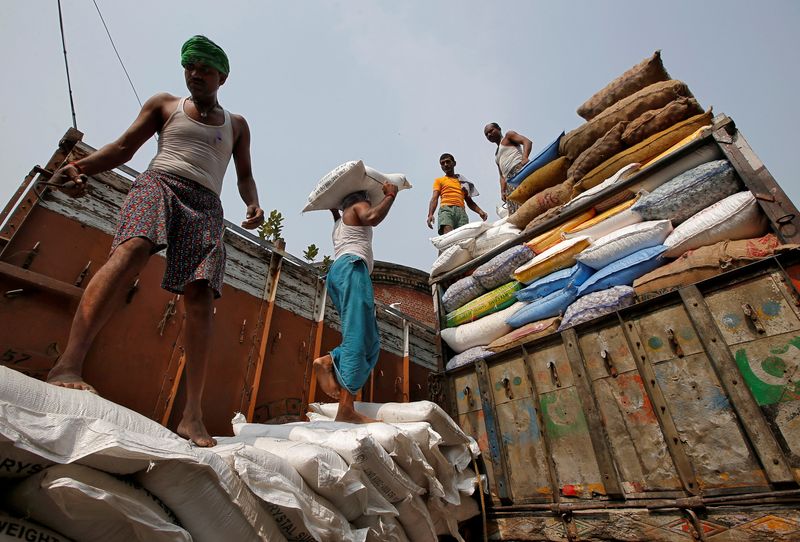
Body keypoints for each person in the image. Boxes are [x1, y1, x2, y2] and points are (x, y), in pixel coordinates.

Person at [45, 35, 264, 447]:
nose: (195, 73)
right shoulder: (163, 105)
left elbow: (245, 174)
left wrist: (254, 203)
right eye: (190, 66)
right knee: (131, 250)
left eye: (204, 67)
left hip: (206, 205)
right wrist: (79, 168)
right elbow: (124, 148)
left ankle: (192, 416)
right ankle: (68, 365)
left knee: (200, 297)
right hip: (159, 183)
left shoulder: (238, 125)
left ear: (223, 76)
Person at [313, 182, 399, 423]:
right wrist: (391, 194)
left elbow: (337, 212)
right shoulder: (358, 205)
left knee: (370, 340)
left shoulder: (339, 222)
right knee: (358, 335)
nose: (368, 203)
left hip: (339, 274)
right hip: (352, 270)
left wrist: (332, 205)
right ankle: (346, 409)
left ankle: (329, 363)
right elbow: (372, 217)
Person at [426, 153, 488, 234]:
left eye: (448, 162)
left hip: (461, 212)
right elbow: (434, 198)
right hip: (446, 210)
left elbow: (469, 201)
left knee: (463, 237)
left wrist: (480, 211)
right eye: (442, 163)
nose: (445, 165)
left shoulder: (462, 182)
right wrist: (430, 214)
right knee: (449, 235)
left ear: (454, 163)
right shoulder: (439, 181)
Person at [483, 122, 533, 214]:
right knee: (516, 210)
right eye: (486, 134)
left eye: (491, 131)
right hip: (509, 181)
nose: (489, 135)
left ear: (499, 129)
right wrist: (502, 191)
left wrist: (525, 157)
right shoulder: (496, 155)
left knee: (528, 200)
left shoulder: (508, 136)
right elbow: (501, 176)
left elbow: (527, 142)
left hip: (519, 170)